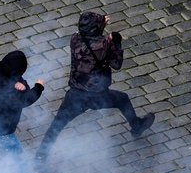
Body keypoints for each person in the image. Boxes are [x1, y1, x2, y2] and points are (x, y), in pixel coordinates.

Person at [35, 12, 155, 162]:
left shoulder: (75, 38)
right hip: (97, 95)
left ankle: (41, 156)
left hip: (75, 94)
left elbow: (89, 37)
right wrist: (116, 42)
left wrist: (100, 25)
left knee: (57, 125)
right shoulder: (105, 44)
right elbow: (116, 64)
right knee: (123, 99)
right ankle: (136, 126)